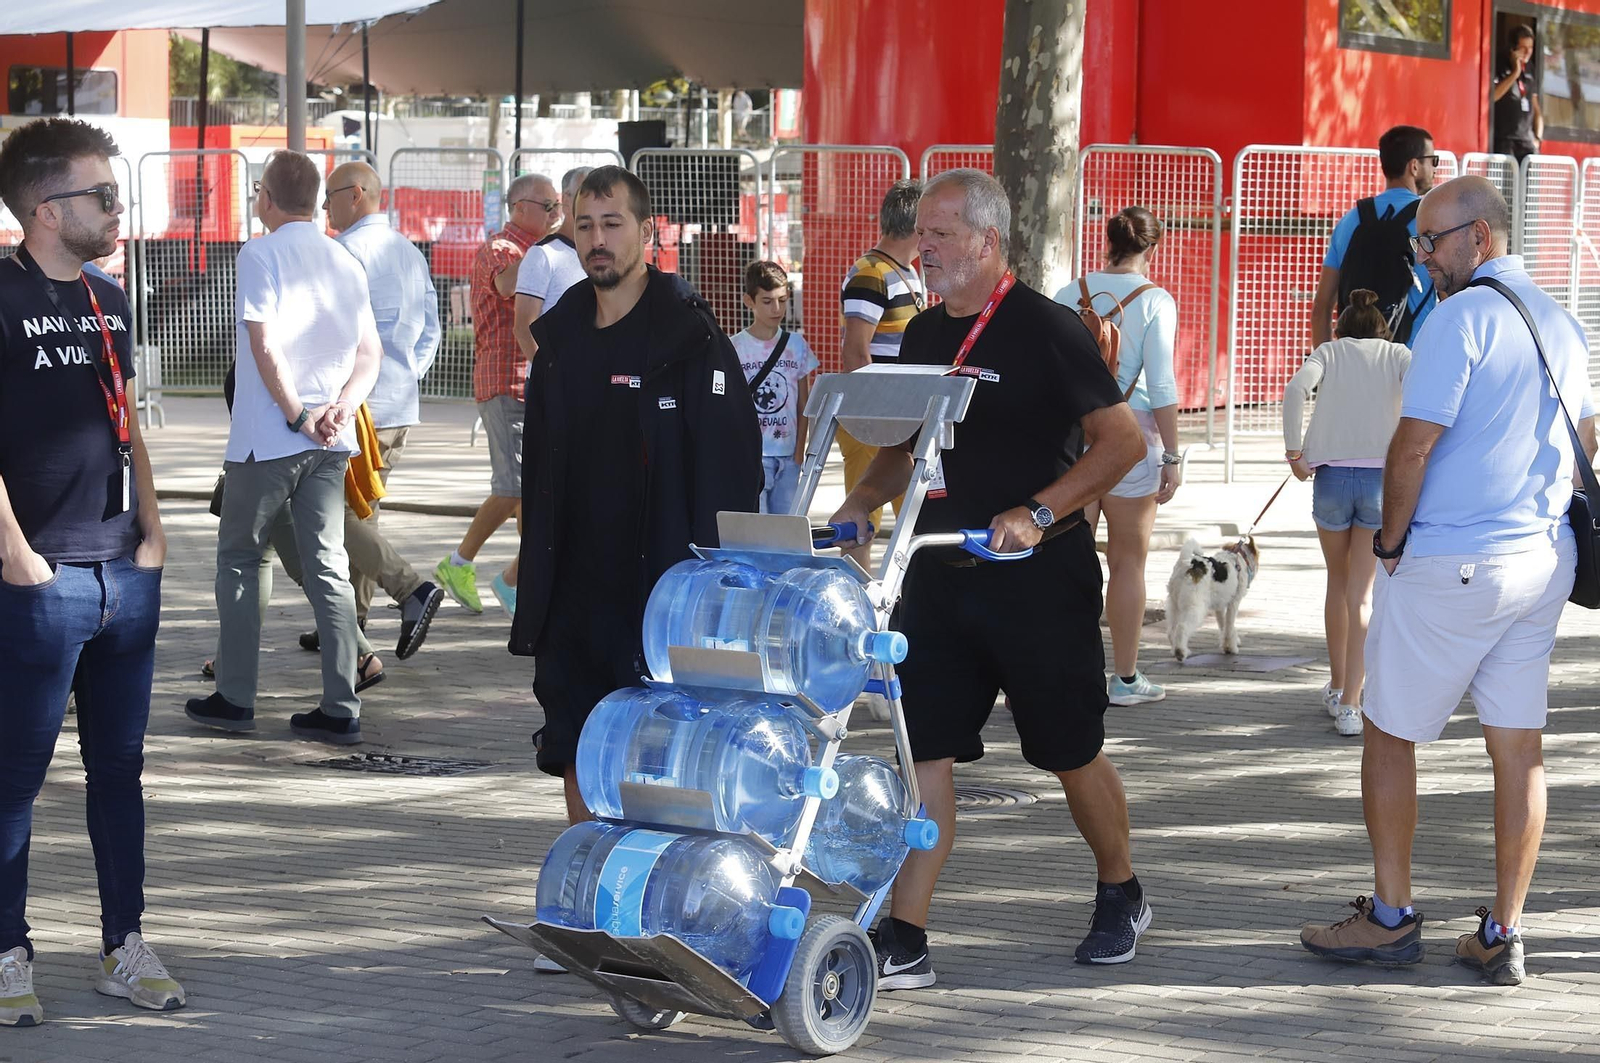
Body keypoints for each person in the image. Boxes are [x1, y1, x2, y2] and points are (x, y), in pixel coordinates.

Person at [830, 169, 1151, 988]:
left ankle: (1121, 888)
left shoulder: (1046, 328)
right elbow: (907, 449)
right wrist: (861, 502)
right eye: (921, 235)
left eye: (939, 234)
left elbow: (1122, 445)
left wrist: (1038, 513)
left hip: (1039, 578)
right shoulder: (926, 333)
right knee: (924, 752)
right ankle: (907, 935)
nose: (923, 248)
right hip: (940, 574)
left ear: (987, 240)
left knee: (1070, 753)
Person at [1301, 176, 1597, 987]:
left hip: (1453, 563)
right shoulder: (1565, 323)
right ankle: (1503, 929)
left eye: (1430, 241)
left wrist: (1390, 543)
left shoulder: (1460, 318)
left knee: (1389, 730)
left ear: (1481, 237)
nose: (1421, 257)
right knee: (1519, 749)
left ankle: (1390, 918)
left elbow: (1412, 446)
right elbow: (1588, 441)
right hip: (1539, 562)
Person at [0, 117, 184, 1024]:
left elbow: (129, 420)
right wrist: (17, 554)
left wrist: (153, 531)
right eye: (103, 194)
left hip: (124, 575)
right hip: (37, 581)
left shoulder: (109, 296)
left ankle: (125, 943)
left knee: (121, 769)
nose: (119, 208)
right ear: (45, 208)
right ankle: (7, 950)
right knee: (14, 777)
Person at [510, 165, 761, 826]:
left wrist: (721, 593)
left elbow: (735, 473)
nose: (597, 239)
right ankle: (594, 895)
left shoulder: (689, 338)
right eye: (585, 225)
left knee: (659, 760)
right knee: (576, 748)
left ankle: (656, 900)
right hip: (573, 591)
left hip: (662, 593)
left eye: (612, 224)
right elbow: (538, 472)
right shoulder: (558, 341)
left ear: (647, 233)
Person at [185, 149, 381, 746]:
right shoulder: (346, 261)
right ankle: (340, 704)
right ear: (319, 202)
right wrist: (340, 408)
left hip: (269, 438)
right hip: (332, 439)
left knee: (240, 559)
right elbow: (369, 354)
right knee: (328, 567)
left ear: (266, 199)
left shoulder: (259, 253)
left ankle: (235, 697)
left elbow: (264, 346)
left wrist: (297, 415)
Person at [306, 159, 444, 659]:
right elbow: (432, 325)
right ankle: (348, 618)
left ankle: (410, 589)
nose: (325, 206)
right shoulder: (409, 251)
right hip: (397, 400)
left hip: (353, 405)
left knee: (327, 515)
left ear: (357, 194)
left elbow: (326, 333)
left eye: (330, 196)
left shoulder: (342, 251)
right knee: (365, 510)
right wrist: (406, 372)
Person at [1056, 206, 1180, 706]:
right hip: (1134, 438)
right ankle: (1125, 679)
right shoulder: (1155, 301)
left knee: (1066, 560)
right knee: (1128, 565)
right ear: (1153, 247)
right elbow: (1164, 382)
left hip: (1075, 441)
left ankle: (1061, 671)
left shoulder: (1070, 292)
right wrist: (1173, 457)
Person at [1282, 289, 1411, 735]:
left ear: (1343, 327)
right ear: (1381, 327)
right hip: (1381, 484)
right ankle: (1353, 705)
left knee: (1336, 584)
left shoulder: (1329, 352)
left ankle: (1337, 686)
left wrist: (1295, 451)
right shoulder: (1399, 355)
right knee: (1362, 592)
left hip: (1331, 480)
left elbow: (1297, 388)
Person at [436, 173, 559, 615]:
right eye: (549, 207)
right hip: (506, 380)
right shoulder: (503, 249)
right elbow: (508, 286)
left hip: (525, 381)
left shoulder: (533, 251)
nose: (555, 215)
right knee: (513, 486)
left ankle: (523, 580)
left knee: (531, 493)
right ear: (520, 206)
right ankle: (458, 562)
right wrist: (556, 245)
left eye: (558, 207)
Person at [486, 166, 593, 619]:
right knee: (551, 500)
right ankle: (523, 585)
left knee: (586, 503)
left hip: (597, 397)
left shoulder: (600, 254)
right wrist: (553, 379)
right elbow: (523, 325)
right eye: (587, 198)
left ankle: (528, 583)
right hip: (555, 398)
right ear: (567, 201)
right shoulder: (543, 255)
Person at [838, 179, 924, 570]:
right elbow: (856, 350)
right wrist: (875, 416)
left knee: (913, 512)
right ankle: (856, 597)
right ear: (918, 224)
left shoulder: (899, 270)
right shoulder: (871, 272)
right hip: (876, 415)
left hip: (899, 414)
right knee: (862, 516)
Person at [1310, 125, 1439, 349]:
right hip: (1409, 364)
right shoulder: (1430, 220)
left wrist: (1326, 368)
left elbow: (1321, 307)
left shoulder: (1350, 221)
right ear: (1414, 166)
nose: (1435, 168)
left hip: (1354, 363)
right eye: (1433, 160)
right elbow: (1450, 296)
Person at [733, 260, 818, 514]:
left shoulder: (797, 345)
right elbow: (731, 407)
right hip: (753, 456)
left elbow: (804, 402)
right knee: (756, 531)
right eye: (767, 301)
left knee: (785, 531)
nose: (777, 308)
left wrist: (800, 450)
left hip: (789, 455)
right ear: (749, 301)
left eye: (782, 300)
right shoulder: (735, 348)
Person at [1492, 25, 1543, 162]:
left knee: (1529, 183)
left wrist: (1537, 137)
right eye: (1523, 48)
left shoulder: (1531, 68)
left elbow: (1536, 107)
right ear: (1513, 48)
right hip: (1505, 140)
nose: (1527, 52)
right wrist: (1515, 73)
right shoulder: (1499, 64)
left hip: (1527, 141)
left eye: (1530, 48)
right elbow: (1492, 97)